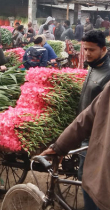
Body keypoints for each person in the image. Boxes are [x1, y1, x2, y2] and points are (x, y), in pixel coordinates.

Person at [43, 31, 110, 210]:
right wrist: (59, 146)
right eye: (85, 49)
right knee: (84, 175)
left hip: (97, 136)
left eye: (91, 50)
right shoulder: (93, 67)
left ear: (103, 49)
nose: (87, 53)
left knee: (90, 178)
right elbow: (88, 113)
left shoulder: (108, 73)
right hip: (86, 130)